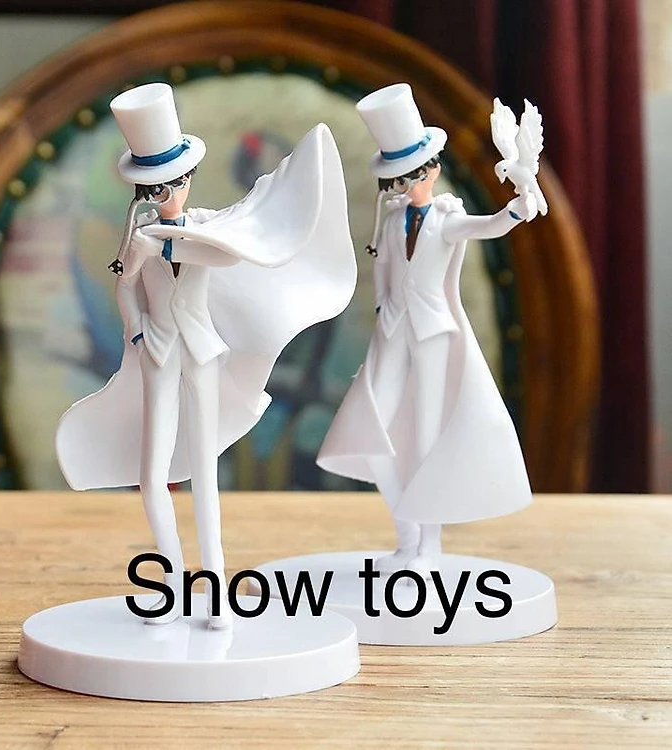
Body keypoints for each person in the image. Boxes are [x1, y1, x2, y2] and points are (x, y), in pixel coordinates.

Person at [57, 83, 356, 628]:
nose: (171, 194)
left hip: (202, 354)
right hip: (158, 355)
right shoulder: (139, 235)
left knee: (204, 471)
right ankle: (171, 582)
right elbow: (125, 287)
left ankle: (214, 584)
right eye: (158, 187)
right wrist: (137, 331)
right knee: (152, 473)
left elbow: (223, 254)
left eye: (177, 183)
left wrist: (162, 243)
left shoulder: (205, 229)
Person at [318, 83, 540, 576]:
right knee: (369, 426)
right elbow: (383, 275)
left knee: (425, 437)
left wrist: (518, 205)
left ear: (433, 170)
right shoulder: (391, 221)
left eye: (418, 173)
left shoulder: (446, 219)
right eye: (402, 177)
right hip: (392, 331)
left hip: (433, 331)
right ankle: (406, 533)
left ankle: (427, 544)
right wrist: (382, 317)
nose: (411, 184)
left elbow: (488, 226)